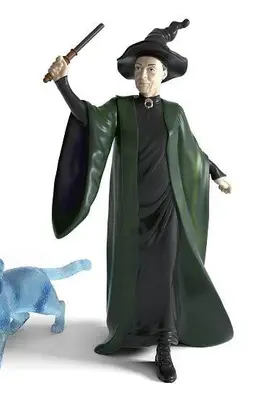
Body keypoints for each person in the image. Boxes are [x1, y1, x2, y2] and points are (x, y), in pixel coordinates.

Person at [47, 19, 233, 383]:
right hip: (132, 209)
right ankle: (132, 326)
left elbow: (192, 151)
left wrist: (215, 172)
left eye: (150, 69)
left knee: (165, 270)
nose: (143, 75)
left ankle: (165, 340)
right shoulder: (120, 109)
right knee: (134, 270)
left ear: (164, 73)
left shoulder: (174, 113)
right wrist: (63, 83)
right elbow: (88, 118)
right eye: (138, 69)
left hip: (167, 206)